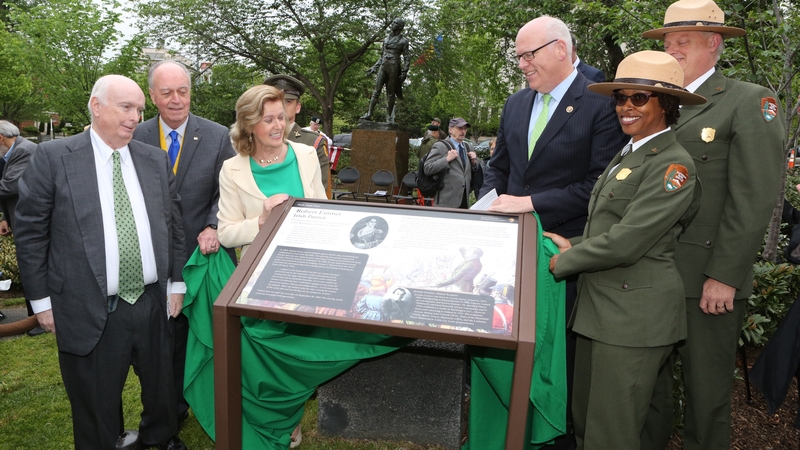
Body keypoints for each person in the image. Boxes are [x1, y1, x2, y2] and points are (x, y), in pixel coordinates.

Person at [475, 16, 627, 449]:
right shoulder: (517, 103)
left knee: (556, 354)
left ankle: (554, 435)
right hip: (510, 247)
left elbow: (601, 184)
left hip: (563, 253)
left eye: (529, 55)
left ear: (561, 49)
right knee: (509, 341)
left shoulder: (601, 103)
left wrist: (531, 204)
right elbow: (499, 169)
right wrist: (488, 207)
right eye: (518, 56)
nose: (522, 64)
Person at [640, 1, 787, 448]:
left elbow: (754, 196)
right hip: (652, 275)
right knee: (651, 393)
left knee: (706, 400)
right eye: (668, 42)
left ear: (714, 44)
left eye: (683, 42)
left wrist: (723, 275)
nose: (673, 50)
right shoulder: (659, 103)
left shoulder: (748, 100)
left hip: (706, 281)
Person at [14, 74, 188, 450]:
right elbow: (30, 232)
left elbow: (174, 226)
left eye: (139, 109)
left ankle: (158, 442)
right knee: (95, 405)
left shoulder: (154, 159)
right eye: (126, 107)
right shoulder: (54, 157)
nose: (135, 117)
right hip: (85, 304)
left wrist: (176, 283)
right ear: (96, 106)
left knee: (162, 393)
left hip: (151, 302)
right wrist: (42, 303)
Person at [546, 50, 704, 449]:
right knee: (586, 422)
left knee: (610, 434)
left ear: (666, 104)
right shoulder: (629, 153)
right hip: (601, 311)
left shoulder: (673, 166)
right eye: (620, 98)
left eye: (638, 98)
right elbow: (609, 227)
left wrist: (564, 260)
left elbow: (629, 241)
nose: (625, 107)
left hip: (634, 319)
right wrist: (573, 242)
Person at [132, 60, 236, 430]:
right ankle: (167, 411)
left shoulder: (217, 135)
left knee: (198, 334)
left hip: (200, 254)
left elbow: (228, 190)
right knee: (159, 339)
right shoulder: (135, 135)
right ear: (152, 97)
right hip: (151, 258)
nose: (177, 100)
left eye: (183, 91)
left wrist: (213, 225)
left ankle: (195, 401)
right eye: (167, 93)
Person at [0, 120, 41, 335]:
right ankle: (34, 317)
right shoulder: (12, 152)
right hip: (19, 219)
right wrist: (4, 217)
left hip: (32, 222)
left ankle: (40, 319)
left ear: (1, 137)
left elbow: (9, 185)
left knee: (32, 267)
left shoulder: (25, 151)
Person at [263, 74, 331, 197]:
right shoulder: (254, 139)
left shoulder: (313, 142)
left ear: (298, 107)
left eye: (287, 101)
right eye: (274, 101)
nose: (281, 106)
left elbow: (320, 190)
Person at [424, 118, 483, 209]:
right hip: (446, 202)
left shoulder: (468, 146)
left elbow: (472, 171)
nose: (463, 131)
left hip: (464, 200)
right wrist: (447, 159)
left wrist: (474, 162)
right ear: (450, 130)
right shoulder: (440, 146)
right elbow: (428, 168)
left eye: (464, 129)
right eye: (459, 128)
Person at [360, 18, 410, 123]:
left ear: (400, 27)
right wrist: (375, 66)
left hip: (394, 66)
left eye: (395, 23)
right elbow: (382, 55)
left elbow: (407, 57)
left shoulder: (403, 41)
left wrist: (404, 72)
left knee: (391, 94)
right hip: (383, 65)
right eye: (393, 22)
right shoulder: (386, 38)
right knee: (376, 91)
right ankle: (369, 114)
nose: (392, 24)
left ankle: (389, 116)